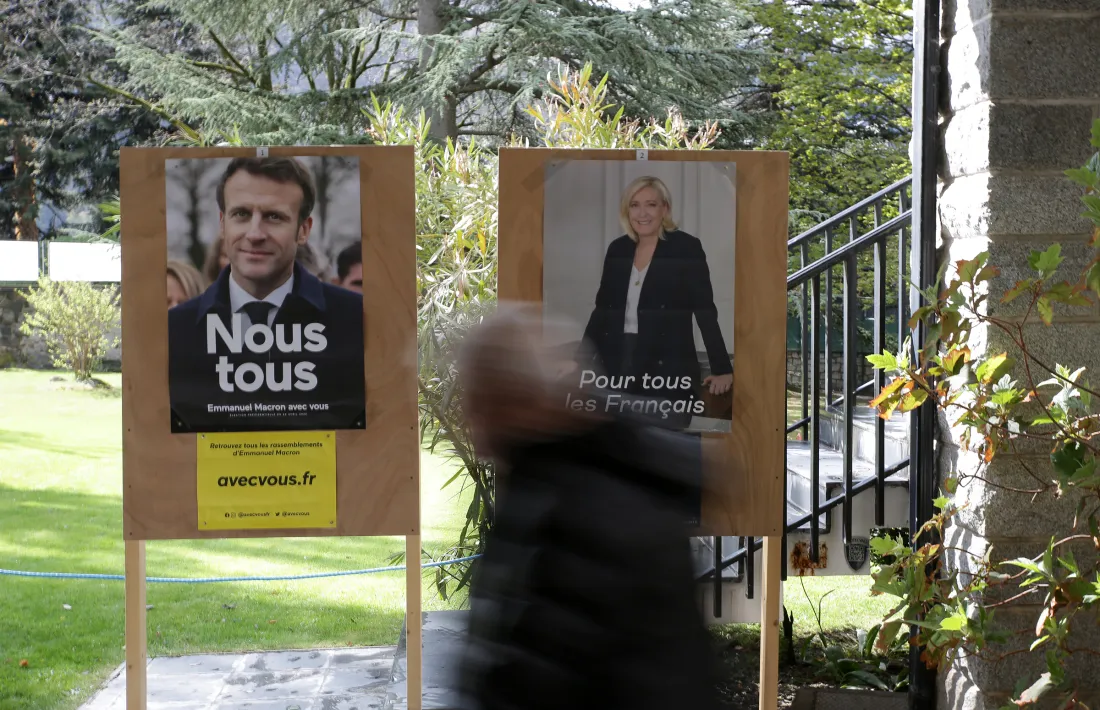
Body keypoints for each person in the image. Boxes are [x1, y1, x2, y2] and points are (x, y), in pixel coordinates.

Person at [453, 304, 723, 710]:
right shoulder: (546, 485)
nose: (469, 418)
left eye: (476, 398)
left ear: (509, 400)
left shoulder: (577, 512)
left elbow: (541, 676)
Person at [168, 156, 366, 433]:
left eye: (274, 217)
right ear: (223, 224)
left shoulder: (359, 322)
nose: (255, 233)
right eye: (242, 214)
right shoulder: (175, 333)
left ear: (303, 230)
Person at [572, 176, 733, 429]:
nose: (642, 213)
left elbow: (704, 310)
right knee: (617, 439)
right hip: (616, 359)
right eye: (634, 205)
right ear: (627, 211)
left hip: (667, 364)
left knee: (662, 439)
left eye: (651, 204)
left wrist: (722, 368)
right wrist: (578, 361)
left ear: (665, 209)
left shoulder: (686, 248)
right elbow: (602, 311)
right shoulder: (618, 249)